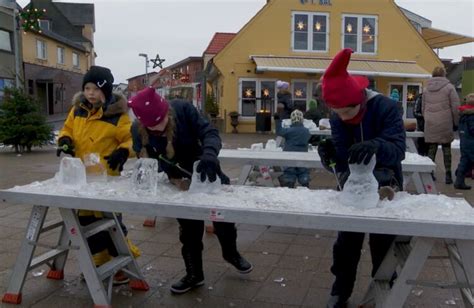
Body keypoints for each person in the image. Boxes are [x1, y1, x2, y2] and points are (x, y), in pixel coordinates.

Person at [128, 87, 253, 294]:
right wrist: (155, 169)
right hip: (178, 181)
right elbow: (144, 158)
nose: (158, 130)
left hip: (206, 170)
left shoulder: (183, 110)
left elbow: (210, 132)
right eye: (152, 128)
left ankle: (231, 252)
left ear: (166, 112)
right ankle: (194, 274)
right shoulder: (138, 129)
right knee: (189, 229)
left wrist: (210, 154)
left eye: (161, 123)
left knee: (223, 217)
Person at [317, 48, 405, 308]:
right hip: (353, 187)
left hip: (386, 184)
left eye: (348, 111)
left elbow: (398, 149)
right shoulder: (338, 116)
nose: (344, 118)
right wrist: (329, 157)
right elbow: (342, 161)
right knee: (346, 242)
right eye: (338, 113)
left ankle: (386, 286)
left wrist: (376, 145)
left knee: (382, 242)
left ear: (361, 100)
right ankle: (340, 289)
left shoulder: (387, 108)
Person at [56, 65, 139, 284]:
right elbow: (67, 130)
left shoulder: (118, 115)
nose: (90, 93)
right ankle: (99, 264)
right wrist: (64, 141)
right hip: (81, 178)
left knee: (110, 224)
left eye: (95, 89)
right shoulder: (78, 110)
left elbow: (131, 140)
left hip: (106, 179)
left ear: (107, 90)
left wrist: (123, 151)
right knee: (86, 224)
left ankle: (122, 264)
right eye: (87, 88)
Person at [422, 66, 460, 184]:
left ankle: (429, 173)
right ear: (444, 74)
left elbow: (423, 108)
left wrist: (427, 118)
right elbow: (455, 107)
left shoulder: (426, 89)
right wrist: (456, 122)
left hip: (431, 122)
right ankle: (448, 174)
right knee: (446, 148)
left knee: (431, 148)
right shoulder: (449, 87)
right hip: (445, 121)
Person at [276, 109, 311, 188]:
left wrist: (278, 121)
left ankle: (289, 184)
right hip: (303, 156)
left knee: (289, 171)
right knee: (303, 171)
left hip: (290, 156)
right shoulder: (306, 131)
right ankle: (305, 183)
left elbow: (279, 131)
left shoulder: (289, 131)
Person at [454, 93, 474, 190]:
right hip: (471, 142)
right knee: (467, 161)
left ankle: (459, 178)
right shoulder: (472, 115)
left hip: (465, 140)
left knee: (465, 160)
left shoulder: (463, 113)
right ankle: (459, 177)